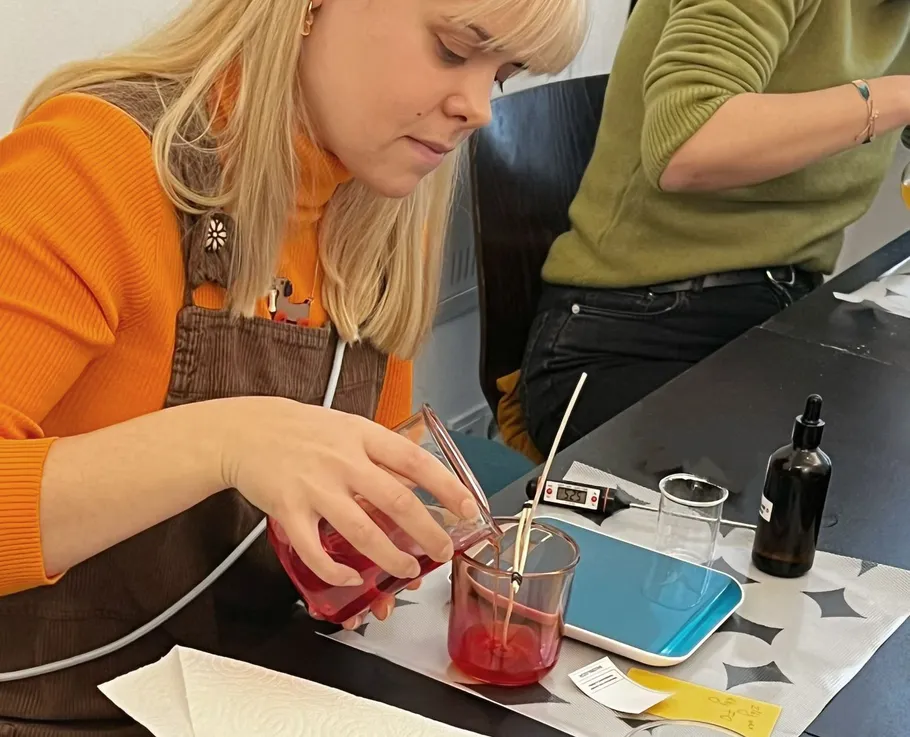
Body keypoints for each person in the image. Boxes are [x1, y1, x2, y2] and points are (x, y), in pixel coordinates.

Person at [0, 0, 585, 733]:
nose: (478, 110)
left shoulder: (378, 229)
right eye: (450, 49)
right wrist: (228, 442)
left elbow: (342, 533)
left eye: (501, 76)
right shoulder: (90, 164)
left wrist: (356, 552)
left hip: (250, 695)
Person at [519, 0, 910, 455]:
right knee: (820, 490)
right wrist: (900, 96)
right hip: (635, 332)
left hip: (779, 316)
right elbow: (689, 142)